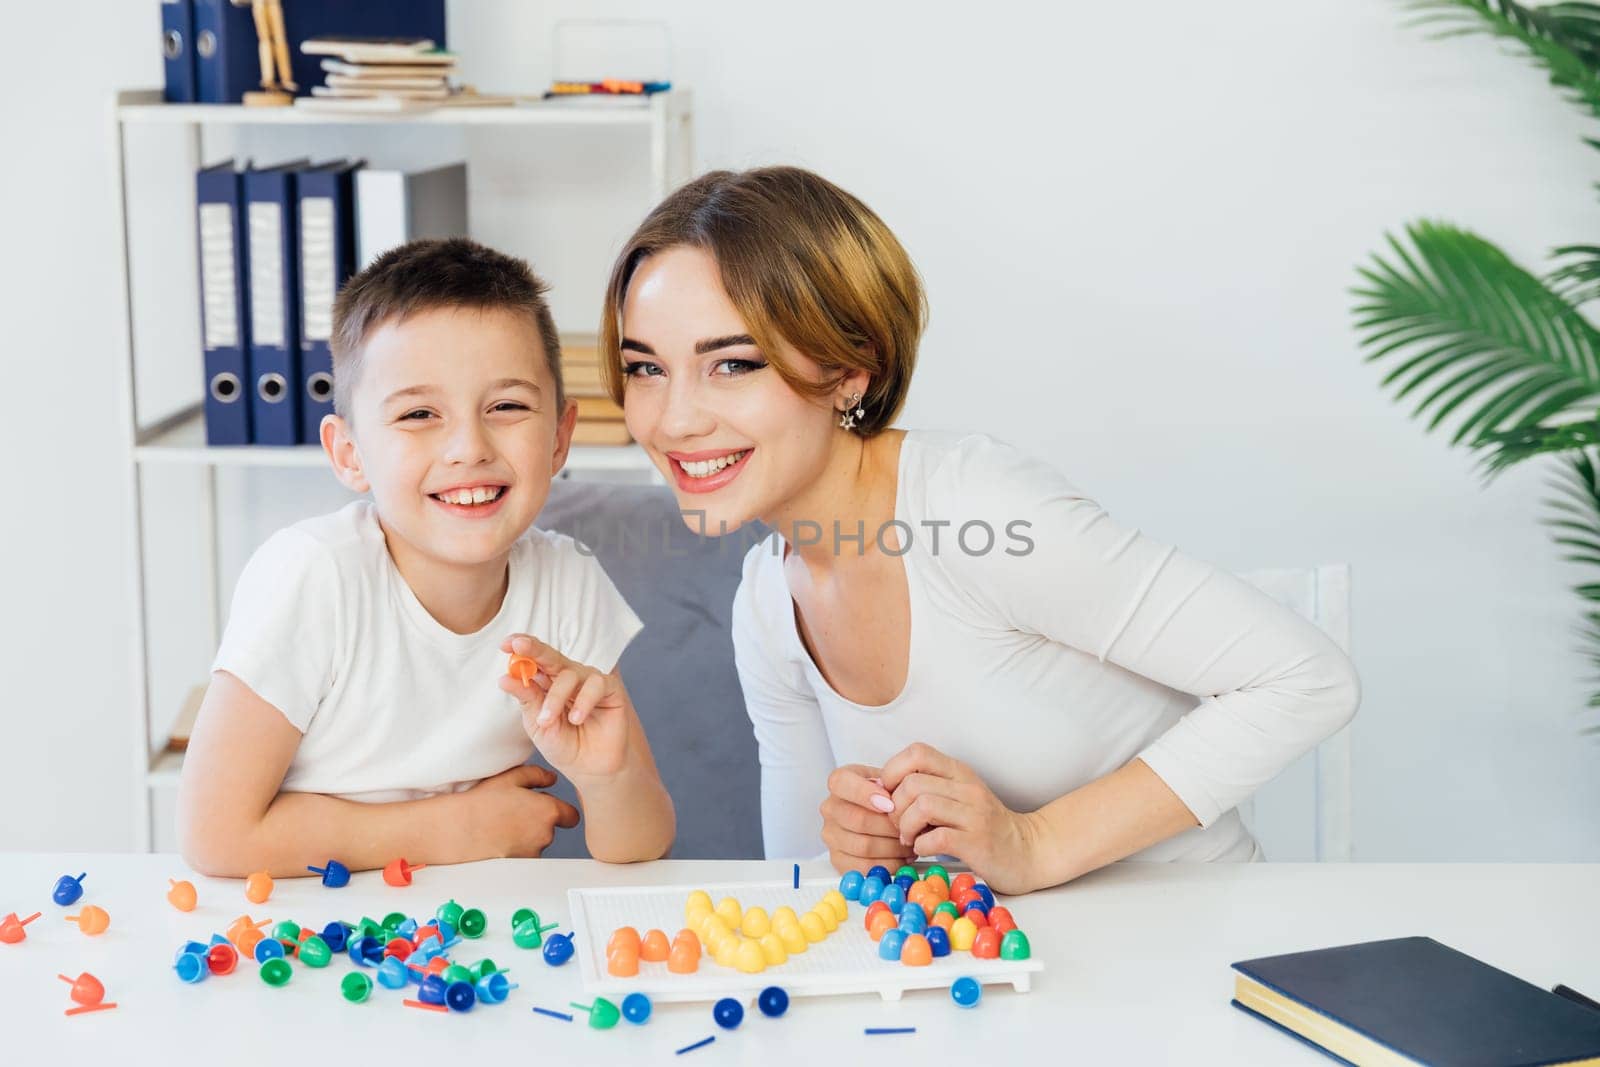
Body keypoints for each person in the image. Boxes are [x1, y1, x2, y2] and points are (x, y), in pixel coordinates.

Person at [600, 167, 1359, 894]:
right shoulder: (768, 603)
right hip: (998, 983)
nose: (673, 419)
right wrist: (857, 845)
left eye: (731, 364)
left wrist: (1037, 843)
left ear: (849, 371)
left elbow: (1306, 678)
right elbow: (806, 880)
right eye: (645, 369)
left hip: (1191, 946)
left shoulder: (975, 511)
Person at [178, 238, 675, 876]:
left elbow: (641, 842)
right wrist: (460, 829)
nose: (469, 447)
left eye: (507, 406)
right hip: (311, 940)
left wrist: (604, 777)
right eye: (418, 414)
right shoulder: (314, 577)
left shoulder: (566, 581)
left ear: (559, 438)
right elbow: (214, 834)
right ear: (350, 453)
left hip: (471, 941)